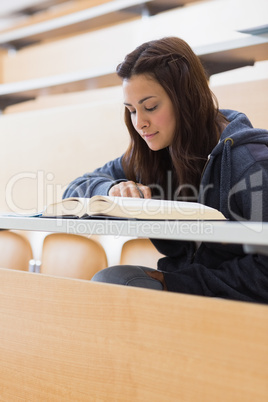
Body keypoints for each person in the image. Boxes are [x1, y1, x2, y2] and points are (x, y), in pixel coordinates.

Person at [63, 36, 268, 303]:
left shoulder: (251, 162)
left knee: (115, 281)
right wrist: (111, 189)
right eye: (132, 111)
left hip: (238, 305)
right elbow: (76, 187)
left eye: (150, 107)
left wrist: (177, 283)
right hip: (189, 293)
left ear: (186, 99)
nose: (140, 123)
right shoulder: (153, 155)